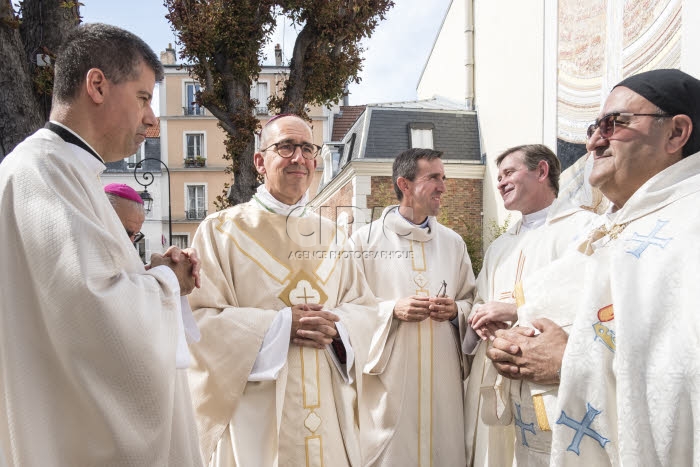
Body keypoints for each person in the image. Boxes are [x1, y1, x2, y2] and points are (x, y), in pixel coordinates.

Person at [0, 24, 203, 466]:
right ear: (97, 85)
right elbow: (92, 314)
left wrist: (150, 274)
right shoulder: (43, 173)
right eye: (144, 98)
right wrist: (170, 281)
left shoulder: (73, 173)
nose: (152, 120)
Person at [487, 68, 700, 466]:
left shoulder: (691, 224)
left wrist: (570, 363)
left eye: (614, 123)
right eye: (593, 125)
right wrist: (512, 342)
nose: (593, 140)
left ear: (676, 133)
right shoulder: (610, 227)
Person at [186, 114, 377, 467]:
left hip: (328, 411)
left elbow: (365, 309)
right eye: (286, 147)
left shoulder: (334, 235)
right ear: (260, 161)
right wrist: (278, 327)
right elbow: (200, 321)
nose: (299, 158)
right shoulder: (221, 231)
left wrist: (339, 328)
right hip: (256, 417)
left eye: (307, 148)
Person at [463, 144, 599, 466]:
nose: (499, 183)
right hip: (503, 381)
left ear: (541, 171)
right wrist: (482, 320)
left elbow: (589, 295)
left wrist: (515, 313)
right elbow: (483, 300)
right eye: (498, 176)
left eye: (509, 172)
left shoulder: (581, 229)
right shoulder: (500, 246)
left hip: (553, 384)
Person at [349, 148, 476, 466]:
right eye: (433, 177)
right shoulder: (364, 242)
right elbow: (345, 307)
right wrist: (392, 309)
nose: (443, 187)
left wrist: (455, 311)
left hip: (443, 382)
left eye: (443, 178)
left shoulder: (453, 243)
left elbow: (472, 301)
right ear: (404, 184)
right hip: (389, 383)